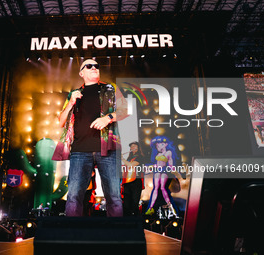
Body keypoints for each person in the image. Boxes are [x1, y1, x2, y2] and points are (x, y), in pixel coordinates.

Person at [52, 59, 128, 217]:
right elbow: (61, 121)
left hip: (108, 149)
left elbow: (125, 110)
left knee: (114, 196)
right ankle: (71, 237)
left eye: (96, 66)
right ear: (81, 73)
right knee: (73, 196)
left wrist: (108, 118)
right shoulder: (74, 94)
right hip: (80, 151)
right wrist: (71, 103)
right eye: (89, 66)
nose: (94, 68)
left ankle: (117, 237)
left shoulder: (110, 88)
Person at [146, 136, 179, 217]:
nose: (158, 146)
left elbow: (170, 164)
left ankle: (170, 206)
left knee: (162, 187)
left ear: (165, 144)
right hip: (158, 170)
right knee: (156, 187)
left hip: (164, 170)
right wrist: (151, 167)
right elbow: (157, 164)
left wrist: (175, 173)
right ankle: (150, 208)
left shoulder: (168, 152)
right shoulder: (158, 153)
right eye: (157, 145)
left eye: (160, 145)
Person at [121, 141, 145, 216]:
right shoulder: (129, 158)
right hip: (127, 183)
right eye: (131, 146)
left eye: (134, 146)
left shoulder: (140, 157)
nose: (132, 148)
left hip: (136, 182)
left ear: (138, 148)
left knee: (134, 204)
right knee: (126, 205)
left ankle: (137, 223)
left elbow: (131, 165)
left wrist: (122, 158)